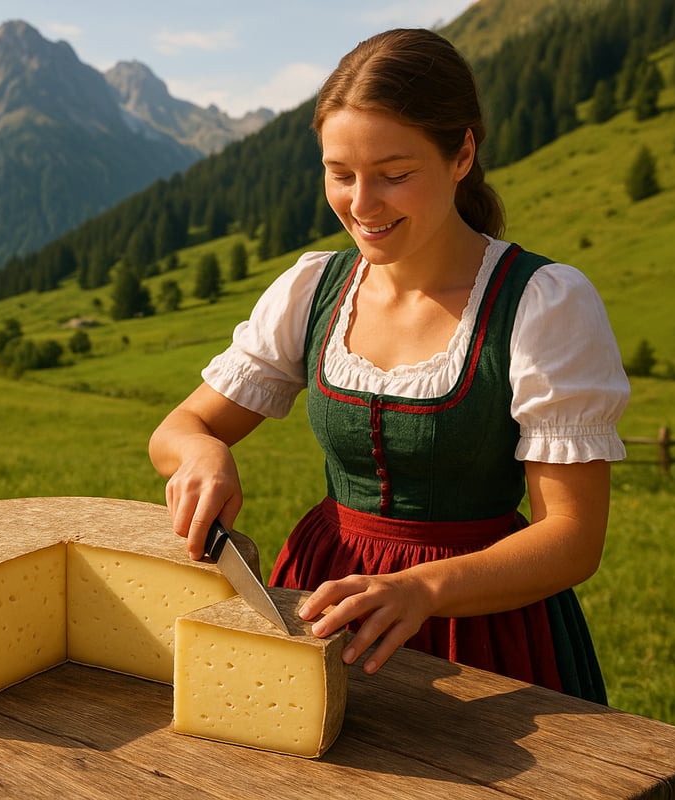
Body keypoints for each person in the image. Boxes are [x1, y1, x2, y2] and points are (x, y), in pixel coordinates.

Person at [148, 28, 630, 703]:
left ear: (462, 154)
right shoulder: (313, 288)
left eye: (395, 175)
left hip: (481, 625)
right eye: (340, 173)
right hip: (325, 597)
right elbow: (178, 429)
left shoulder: (543, 303)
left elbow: (572, 537)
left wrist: (422, 589)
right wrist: (203, 453)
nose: (361, 204)